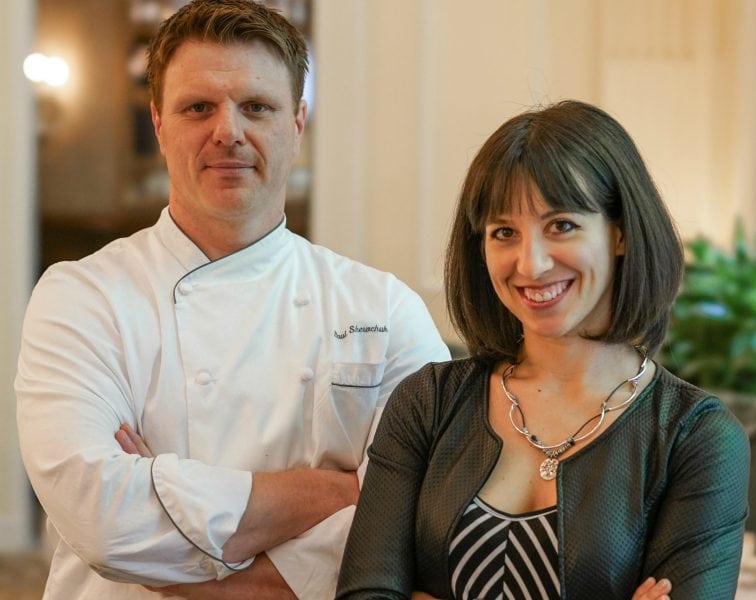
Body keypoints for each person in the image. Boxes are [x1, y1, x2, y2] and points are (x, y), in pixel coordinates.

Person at [15, 1, 450, 598]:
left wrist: (174, 523)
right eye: (198, 107)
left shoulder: (384, 309)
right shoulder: (81, 298)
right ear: (159, 124)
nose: (228, 132)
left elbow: (427, 519)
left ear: (297, 123)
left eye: (257, 107)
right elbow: (103, 519)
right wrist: (342, 490)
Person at [336, 100, 751, 600]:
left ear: (620, 232)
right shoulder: (427, 402)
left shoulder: (698, 437)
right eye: (504, 233)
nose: (530, 265)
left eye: (562, 225)